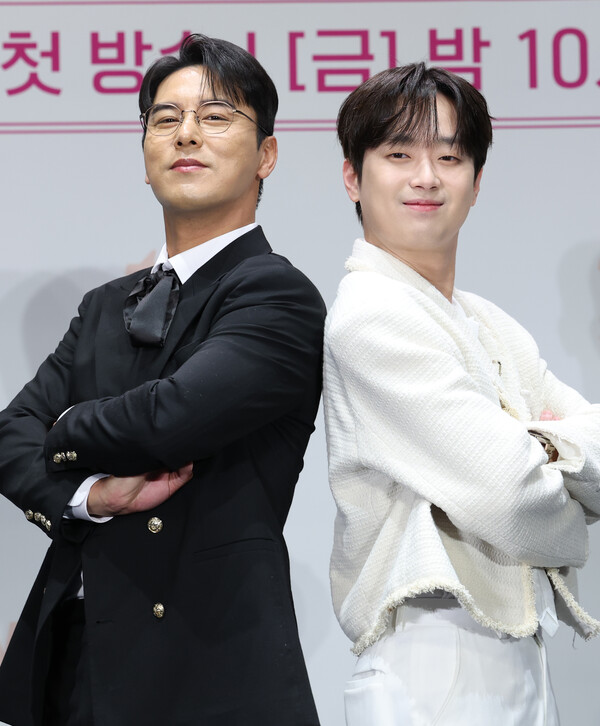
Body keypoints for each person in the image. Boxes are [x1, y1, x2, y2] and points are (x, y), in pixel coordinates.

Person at [0, 33, 325, 726]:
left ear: (266, 154)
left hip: (206, 672)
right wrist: (91, 495)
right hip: (74, 670)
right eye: (165, 118)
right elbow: (8, 435)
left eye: (216, 117)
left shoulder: (277, 294)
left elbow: (167, 421)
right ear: (145, 154)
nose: (187, 135)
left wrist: (65, 425)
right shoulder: (103, 306)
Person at [324, 63, 600, 726]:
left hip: (519, 655)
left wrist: (535, 448)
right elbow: (512, 499)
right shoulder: (371, 314)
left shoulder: (486, 320)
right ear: (353, 178)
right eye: (399, 155)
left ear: (476, 184)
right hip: (432, 658)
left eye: (449, 157)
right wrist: (556, 474)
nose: (426, 177)